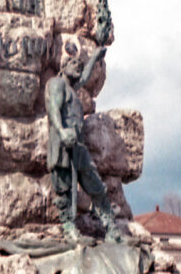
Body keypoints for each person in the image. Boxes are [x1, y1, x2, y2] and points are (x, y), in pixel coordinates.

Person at [44, 43, 123, 242]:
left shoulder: (73, 89)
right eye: (74, 63)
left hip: (78, 146)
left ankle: (110, 227)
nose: (78, 66)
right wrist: (61, 131)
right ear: (63, 67)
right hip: (63, 142)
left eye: (80, 64)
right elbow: (53, 107)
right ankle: (68, 226)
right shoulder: (57, 84)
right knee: (64, 189)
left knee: (95, 184)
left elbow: (84, 77)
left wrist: (95, 56)